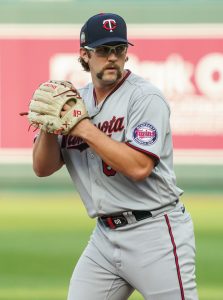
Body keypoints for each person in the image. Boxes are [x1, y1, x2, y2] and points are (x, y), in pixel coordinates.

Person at [32, 13, 198, 300]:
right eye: (103, 50)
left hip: (156, 232)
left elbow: (139, 167)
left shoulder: (145, 98)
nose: (112, 58)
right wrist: (49, 127)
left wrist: (84, 129)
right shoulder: (72, 101)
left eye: (119, 50)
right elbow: (42, 168)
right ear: (85, 56)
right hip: (104, 238)